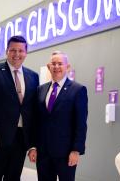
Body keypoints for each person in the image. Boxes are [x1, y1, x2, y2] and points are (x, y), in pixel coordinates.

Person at [0, 35, 39, 181]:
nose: (17, 54)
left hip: (20, 138)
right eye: (13, 50)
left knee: (14, 177)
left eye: (20, 51)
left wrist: (32, 143)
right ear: (7, 51)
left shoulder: (33, 76)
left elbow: (33, 111)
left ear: (26, 52)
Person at [28, 51, 88, 181]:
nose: (56, 67)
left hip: (65, 153)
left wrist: (76, 150)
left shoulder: (78, 90)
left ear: (67, 66)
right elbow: (36, 121)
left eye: (60, 63)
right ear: (49, 67)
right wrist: (33, 146)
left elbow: (81, 124)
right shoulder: (41, 90)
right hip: (43, 153)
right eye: (53, 64)